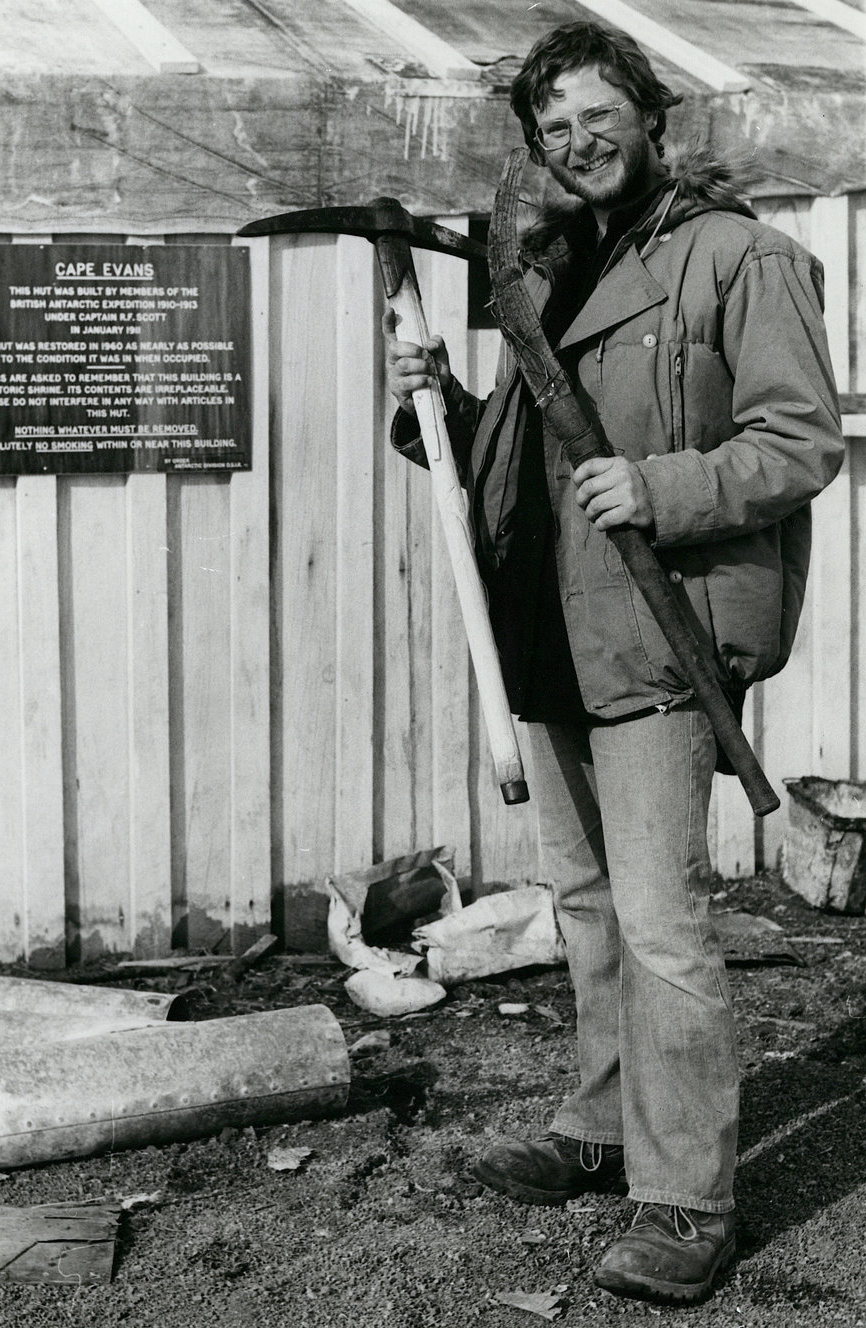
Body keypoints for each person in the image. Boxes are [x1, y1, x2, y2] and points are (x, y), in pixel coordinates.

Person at [382, 20, 844, 1305]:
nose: (578, 142)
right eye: (554, 128)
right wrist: (438, 406)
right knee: (582, 903)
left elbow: (799, 441)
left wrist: (660, 486)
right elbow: (527, 456)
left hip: (657, 627)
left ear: (650, 117)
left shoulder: (739, 257)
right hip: (547, 624)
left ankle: (687, 1195)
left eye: (598, 114)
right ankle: (600, 1121)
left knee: (660, 922)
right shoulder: (547, 269)